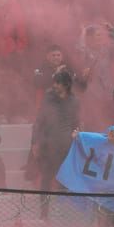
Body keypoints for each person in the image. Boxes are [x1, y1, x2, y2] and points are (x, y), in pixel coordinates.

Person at [29, 71, 79, 218]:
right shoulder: (48, 98)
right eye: (54, 82)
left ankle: (62, 214)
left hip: (67, 146)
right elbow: (39, 121)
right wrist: (35, 142)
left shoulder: (74, 101)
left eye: (58, 83)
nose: (55, 85)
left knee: (64, 180)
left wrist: (77, 137)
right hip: (48, 146)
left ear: (66, 84)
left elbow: (76, 123)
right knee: (46, 179)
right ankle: (44, 213)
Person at [75, 22, 114, 130]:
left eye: (101, 35)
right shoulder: (86, 52)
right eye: (98, 35)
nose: (101, 38)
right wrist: (83, 33)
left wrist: (112, 30)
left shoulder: (107, 51)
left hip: (108, 95)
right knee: (92, 126)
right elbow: (79, 49)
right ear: (90, 38)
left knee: (109, 126)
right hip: (92, 97)